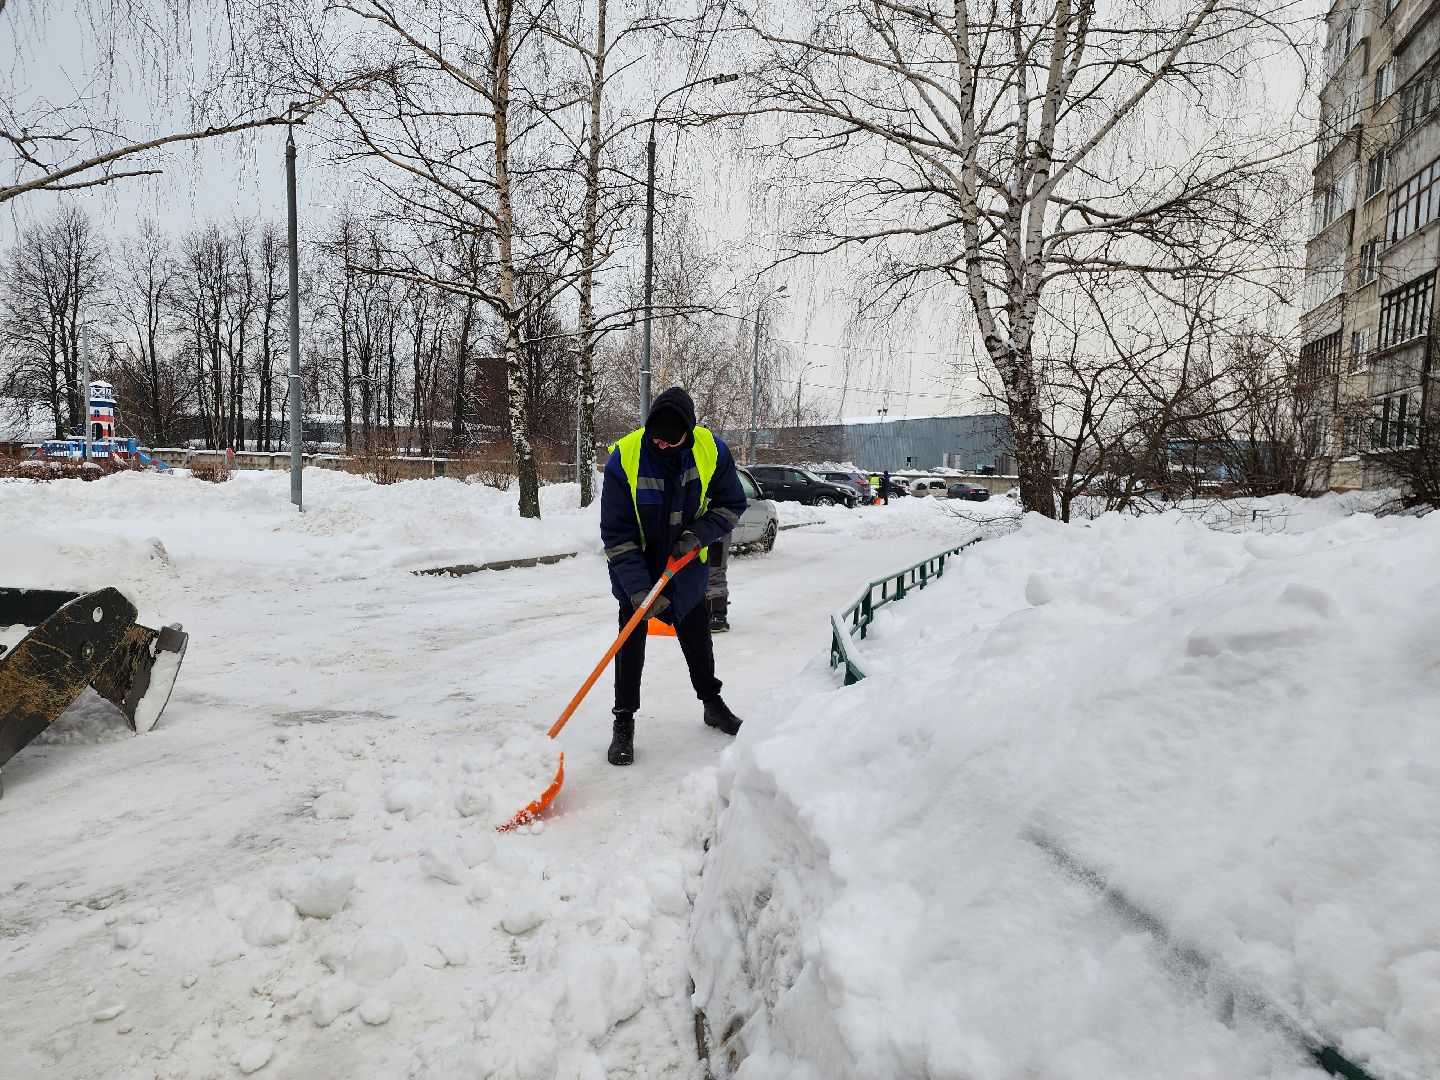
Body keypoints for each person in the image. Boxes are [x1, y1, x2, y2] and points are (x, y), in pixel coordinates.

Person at [599, 387, 748, 766]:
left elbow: (731, 504)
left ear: (688, 432)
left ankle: (712, 704)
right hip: (637, 571)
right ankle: (623, 722)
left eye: (671, 439)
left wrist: (696, 535)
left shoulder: (711, 450)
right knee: (629, 647)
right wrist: (637, 589)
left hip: (685, 569)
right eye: (656, 438)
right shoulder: (626, 456)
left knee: (698, 640)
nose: (662, 446)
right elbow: (617, 534)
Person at [706, 533, 731, 633]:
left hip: (717, 530)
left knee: (715, 570)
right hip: (695, 531)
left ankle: (718, 615)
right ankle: (708, 612)